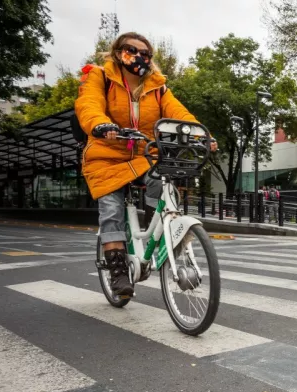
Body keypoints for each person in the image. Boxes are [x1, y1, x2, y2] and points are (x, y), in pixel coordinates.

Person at [76, 32, 217, 297]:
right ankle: (118, 272)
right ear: (119, 53)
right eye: (133, 50)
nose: (140, 57)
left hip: (144, 154)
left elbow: (179, 113)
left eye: (146, 54)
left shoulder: (157, 86)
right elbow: (88, 105)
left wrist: (202, 134)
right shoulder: (100, 77)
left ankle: (157, 235)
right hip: (107, 155)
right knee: (111, 208)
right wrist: (100, 125)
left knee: (162, 183)